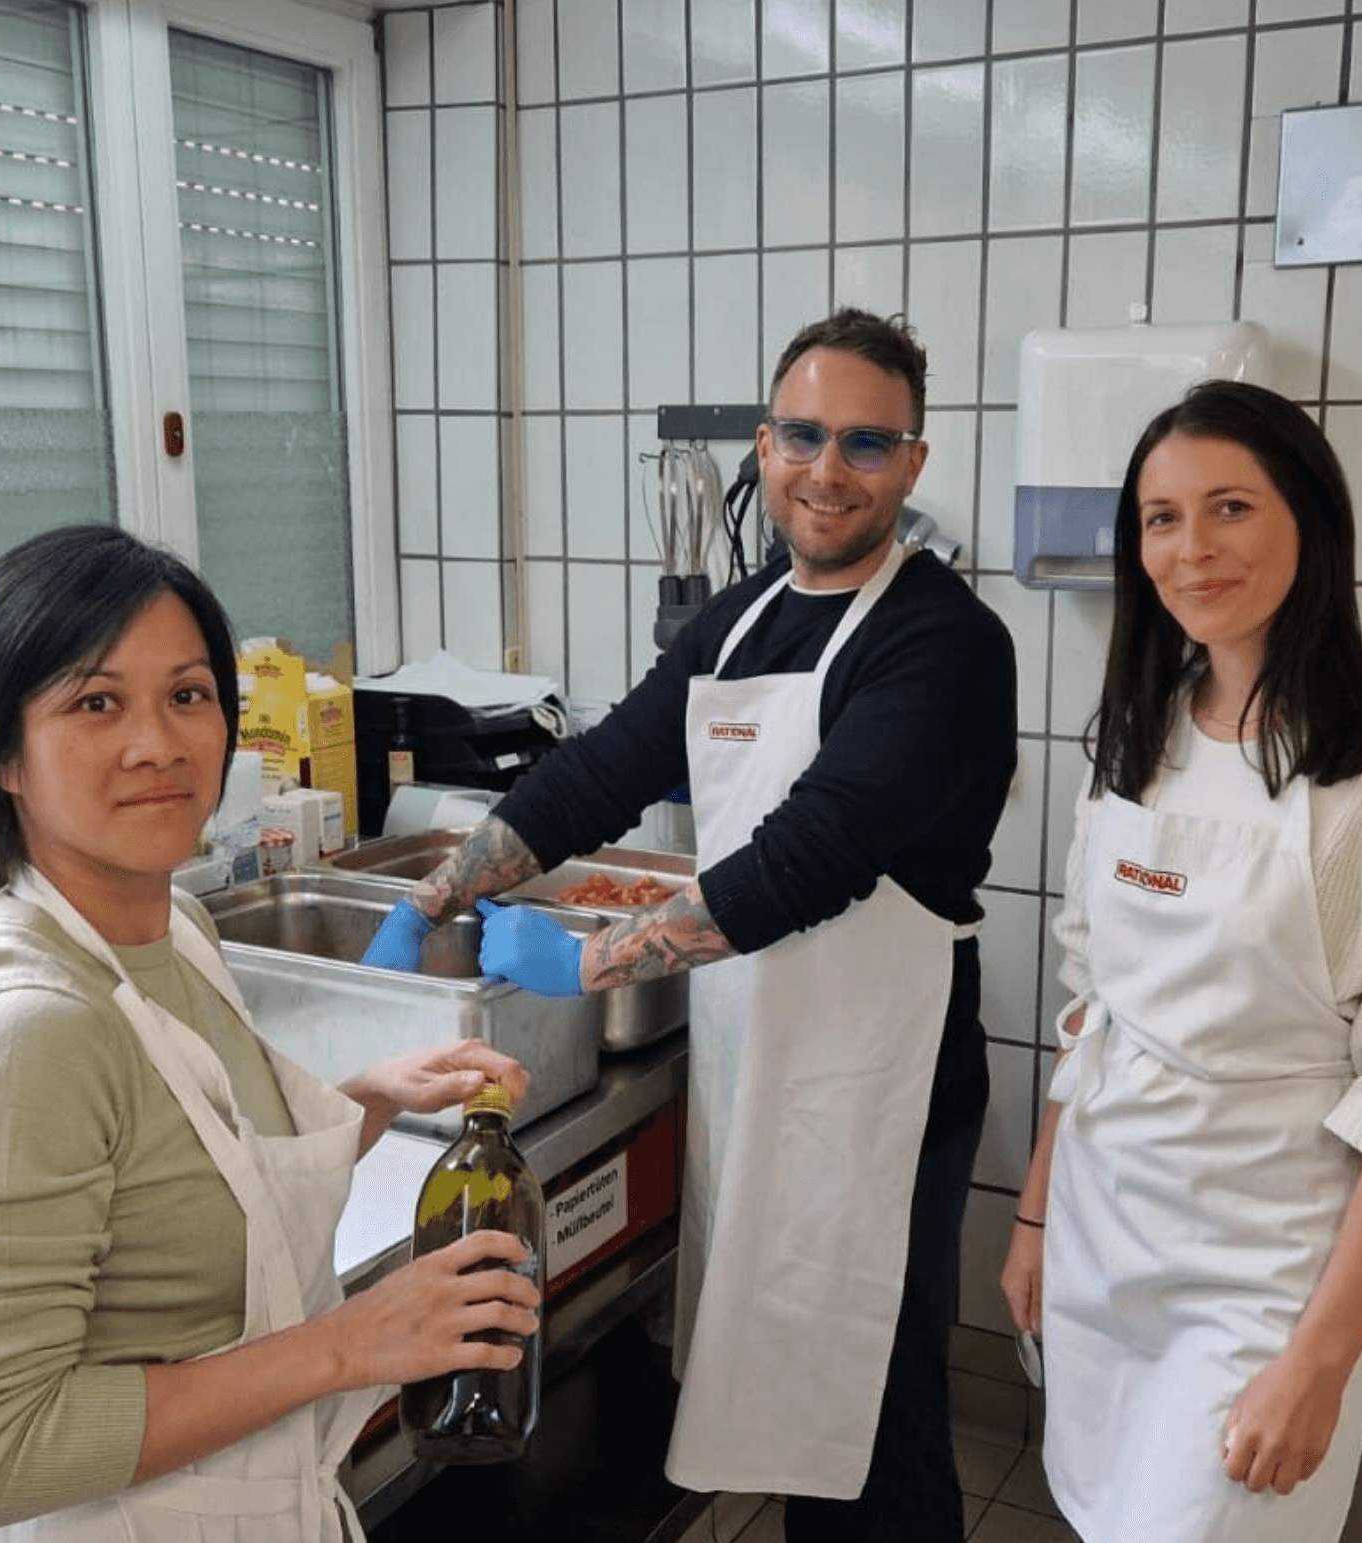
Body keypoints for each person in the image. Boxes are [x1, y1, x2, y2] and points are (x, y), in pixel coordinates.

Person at [362, 307, 1018, 1540]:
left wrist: (586, 956)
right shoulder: (743, 617)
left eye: (866, 444)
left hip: (886, 1073)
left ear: (913, 463)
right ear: (764, 445)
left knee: (872, 1396)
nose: (828, 471)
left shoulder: (946, 644)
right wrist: (433, 894)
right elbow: (601, 769)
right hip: (761, 1048)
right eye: (804, 436)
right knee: (783, 1360)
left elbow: (807, 859)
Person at [0, 525, 541, 1543]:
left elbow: (195, 1185)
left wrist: (367, 1098)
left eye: (187, 694)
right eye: (94, 702)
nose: (158, 743)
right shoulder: (27, 1030)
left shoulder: (175, 928)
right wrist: (349, 1344)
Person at [999, 380, 1362, 1541]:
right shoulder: (1138, 740)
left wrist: (1320, 1358)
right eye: (1157, 517)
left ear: (1309, 520)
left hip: (1267, 1276)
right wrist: (1037, 1215)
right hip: (1106, 1236)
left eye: (1229, 507)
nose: (1188, 549)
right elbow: (1091, 1001)